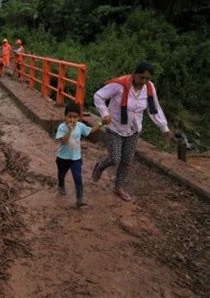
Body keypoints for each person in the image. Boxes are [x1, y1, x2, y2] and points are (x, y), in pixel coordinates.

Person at [92, 61, 171, 202]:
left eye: (147, 79)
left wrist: (163, 127)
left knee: (127, 160)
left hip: (134, 130)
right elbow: (98, 96)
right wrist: (104, 113)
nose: (144, 81)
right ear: (134, 75)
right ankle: (100, 166)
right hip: (115, 127)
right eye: (142, 77)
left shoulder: (149, 88)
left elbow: (154, 108)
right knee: (115, 158)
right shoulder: (119, 85)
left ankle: (118, 187)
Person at [56, 102, 102, 207]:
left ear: (78, 117)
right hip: (62, 157)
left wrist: (101, 123)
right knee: (61, 174)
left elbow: (90, 131)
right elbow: (63, 141)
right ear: (65, 116)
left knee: (77, 177)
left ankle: (80, 198)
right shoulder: (62, 127)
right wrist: (69, 131)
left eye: (75, 117)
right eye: (69, 117)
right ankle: (61, 185)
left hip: (76, 158)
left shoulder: (80, 126)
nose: (72, 119)